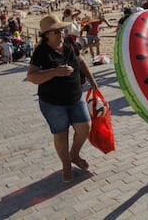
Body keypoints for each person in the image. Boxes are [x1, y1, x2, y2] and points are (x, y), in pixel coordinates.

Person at [27, 14, 98, 182]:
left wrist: (91, 79)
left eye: (62, 30)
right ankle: (66, 166)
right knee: (61, 134)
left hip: (75, 97)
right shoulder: (41, 51)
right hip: (53, 103)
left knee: (85, 127)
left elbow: (80, 60)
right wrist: (55, 72)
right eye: (56, 31)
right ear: (47, 35)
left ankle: (74, 154)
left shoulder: (69, 43)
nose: (61, 33)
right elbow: (31, 76)